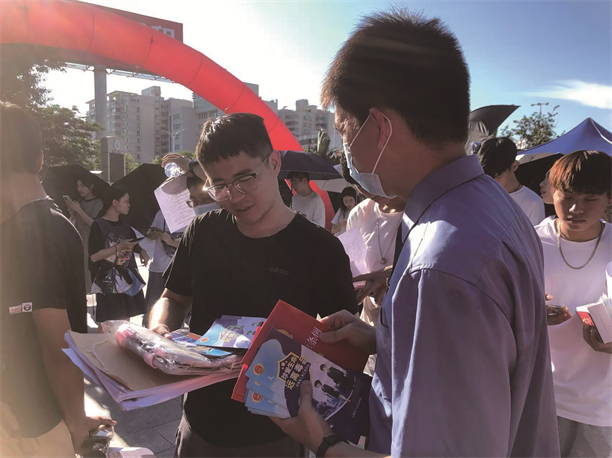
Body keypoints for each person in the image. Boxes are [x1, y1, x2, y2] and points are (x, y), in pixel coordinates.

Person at [271, 9, 560, 458]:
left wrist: (323, 442)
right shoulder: (491, 205)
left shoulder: (441, 266)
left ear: (380, 129)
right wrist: (383, 339)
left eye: (345, 130)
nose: (345, 149)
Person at [148, 113, 357, 457]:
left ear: (273, 163)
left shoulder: (320, 249)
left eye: (245, 178)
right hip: (199, 422)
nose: (235, 196)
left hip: (276, 432)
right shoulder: (203, 232)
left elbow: (344, 347)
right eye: (219, 185)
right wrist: (159, 329)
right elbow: (173, 296)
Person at [0, 102, 115, 456]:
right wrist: (77, 419)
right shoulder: (48, 228)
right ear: (39, 160)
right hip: (40, 420)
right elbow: (58, 344)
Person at [535, 150, 612, 458]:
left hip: (600, 406)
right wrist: (530, 312)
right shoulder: (529, 242)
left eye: (590, 199)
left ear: (609, 199)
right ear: (551, 193)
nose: (575, 209)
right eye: (566, 197)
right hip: (539, 398)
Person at [340, 160, 405, 375]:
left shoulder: (422, 209)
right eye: (359, 185)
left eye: (369, 180)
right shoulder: (360, 214)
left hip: (408, 329)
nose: (368, 191)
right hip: (372, 326)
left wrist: (391, 276)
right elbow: (354, 265)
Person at [143, 172, 220, 327]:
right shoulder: (195, 228)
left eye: (206, 199)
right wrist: (160, 326)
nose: (200, 206)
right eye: (194, 201)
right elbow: (173, 300)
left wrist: (171, 242)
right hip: (202, 336)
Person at [89, 185, 149, 323]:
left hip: (126, 278)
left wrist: (142, 251)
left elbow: (133, 243)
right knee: (109, 324)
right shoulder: (98, 225)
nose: (129, 205)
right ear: (115, 202)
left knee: (125, 322)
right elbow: (94, 256)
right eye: (126, 201)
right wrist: (119, 247)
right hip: (108, 281)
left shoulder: (125, 224)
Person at [477, 136, 546, 225]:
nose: (492, 182)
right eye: (488, 177)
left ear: (514, 166)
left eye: (498, 176)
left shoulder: (533, 202)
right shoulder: (480, 197)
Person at [65, 176, 104, 293]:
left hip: (91, 241)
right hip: (79, 240)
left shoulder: (98, 203)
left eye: (82, 186)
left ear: (91, 186)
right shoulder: (79, 202)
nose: (80, 189)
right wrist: (73, 214)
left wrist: (79, 210)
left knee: (90, 271)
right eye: (78, 186)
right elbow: (75, 224)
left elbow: (94, 224)